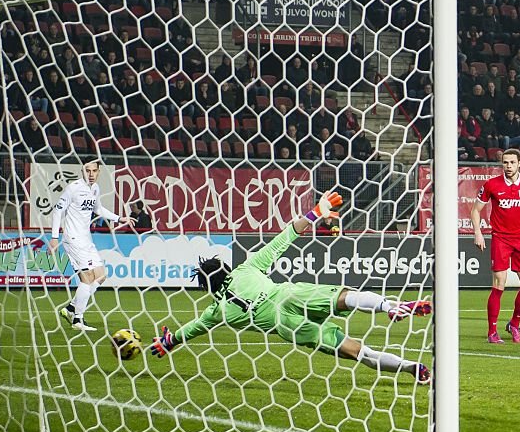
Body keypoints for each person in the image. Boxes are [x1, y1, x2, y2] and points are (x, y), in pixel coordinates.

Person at [149, 191, 431, 384]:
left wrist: (169, 341)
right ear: (225, 269)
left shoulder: (216, 311)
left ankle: (411, 368)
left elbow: (193, 328)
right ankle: (390, 305)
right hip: (288, 294)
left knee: (358, 352)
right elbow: (284, 238)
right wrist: (316, 212)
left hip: (286, 325)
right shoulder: (246, 269)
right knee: (345, 298)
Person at [471, 149, 520, 344]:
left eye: (512, 162)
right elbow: (475, 210)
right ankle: (492, 332)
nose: (508, 166)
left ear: (519, 164)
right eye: (505, 163)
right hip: (500, 238)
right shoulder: (492, 185)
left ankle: (514, 323)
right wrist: (478, 232)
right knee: (499, 284)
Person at [53, 160, 134, 332]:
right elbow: (57, 210)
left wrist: (120, 218)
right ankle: (77, 320)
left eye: (94, 171)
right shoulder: (73, 188)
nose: (91, 174)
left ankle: (71, 308)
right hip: (73, 238)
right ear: (82, 170)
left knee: (101, 275)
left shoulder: (95, 189)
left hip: (86, 239)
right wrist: (54, 237)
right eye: (87, 170)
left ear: (99, 172)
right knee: (87, 277)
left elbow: (99, 209)